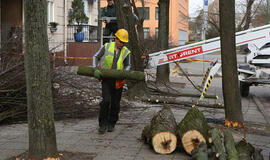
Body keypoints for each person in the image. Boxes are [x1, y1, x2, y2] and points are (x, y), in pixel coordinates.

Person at [92, 29, 131, 134]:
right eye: (120, 41)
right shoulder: (106, 47)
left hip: (118, 82)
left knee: (115, 104)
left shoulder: (126, 52)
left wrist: (124, 73)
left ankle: (111, 123)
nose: (122, 44)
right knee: (106, 101)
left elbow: (128, 65)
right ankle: (102, 124)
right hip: (106, 79)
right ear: (115, 39)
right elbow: (96, 57)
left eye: (123, 42)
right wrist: (95, 68)